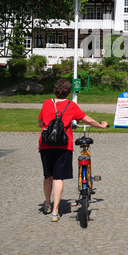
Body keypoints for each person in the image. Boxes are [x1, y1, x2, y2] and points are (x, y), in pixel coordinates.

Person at [38, 79, 108, 222]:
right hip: (63, 146)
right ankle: (55, 211)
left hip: (46, 145)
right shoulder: (71, 106)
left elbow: (40, 122)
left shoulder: (46, 103)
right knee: (58, 178)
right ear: (68, 92)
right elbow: (87, 120)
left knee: (48, 176)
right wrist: (101, 125)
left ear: (54, 90)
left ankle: (47, 204)